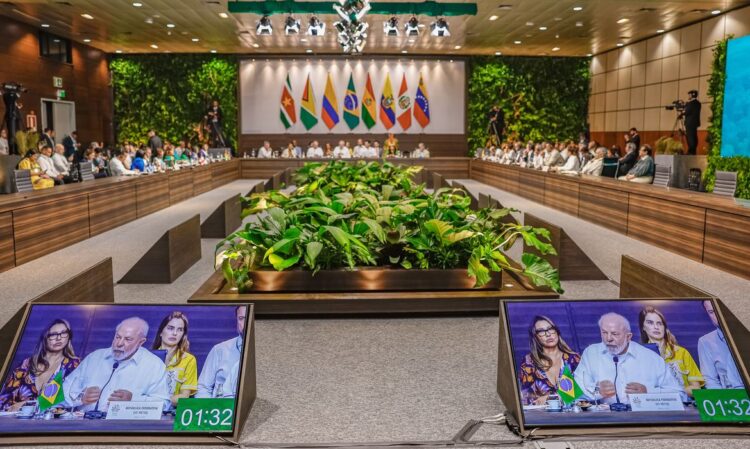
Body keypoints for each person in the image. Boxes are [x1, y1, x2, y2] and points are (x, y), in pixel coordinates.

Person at [63, 317, 170, 412]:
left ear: (141, 342)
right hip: (84, 427)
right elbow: (60, 394)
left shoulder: (154, 365)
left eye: (128, 339)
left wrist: (133, 400)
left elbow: (164, 404)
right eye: (118, 337)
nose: (119, 344)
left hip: (127, 429)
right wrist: (80, 398)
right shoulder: (94, 358)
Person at [574, 313, 684, 405]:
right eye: (604, 333)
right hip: (604, 420)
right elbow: (571, 393)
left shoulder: (651, 358)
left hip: (643, 419)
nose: (608, 339)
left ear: (628, 336)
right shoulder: (591, 353)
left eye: (614, 334)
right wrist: (597, 391)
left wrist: (648, 392)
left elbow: (681, 395)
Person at [0, 319, 81, 411]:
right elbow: (4, 400)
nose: (59, 338)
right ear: (44, 337)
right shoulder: (26, 364)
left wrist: (26, 404)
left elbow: (71, 399)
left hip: (53, 423)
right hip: (18, 422)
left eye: (63, 333)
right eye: (53, 334)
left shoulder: (73, 365)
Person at [638, 306, 704, 398]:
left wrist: (672, 392)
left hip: (683, 406)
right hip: (651, 405)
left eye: (660, 323)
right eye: (650, 323)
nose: (656, 327)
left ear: (664, 327)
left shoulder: (682, 353)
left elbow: (696, 389)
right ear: (643, 327)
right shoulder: (638, 355)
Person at [518, 316, 581, 406]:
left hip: (571, 414)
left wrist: (549, 398)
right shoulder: (528, 362)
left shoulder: (574, 359)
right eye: (541, 331)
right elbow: (523, 397)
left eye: (550, 329)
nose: (548, 334)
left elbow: (583, 391)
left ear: (557, 331)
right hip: (542, 416)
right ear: (535, 337)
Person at [196, 306, 246, 398]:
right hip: (220, 408)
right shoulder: (220, 349)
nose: (245, 323)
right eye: (241, 318)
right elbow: (203, 387)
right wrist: (209, 409)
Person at [151, 312, 198, 408]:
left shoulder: (189, 360)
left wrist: (157, 401)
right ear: (161, 332)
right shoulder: (147, 357)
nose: (175, 333)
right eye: (170, 328)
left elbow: (184, 397)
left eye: (180, 330)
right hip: (145, 412)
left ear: (183, 334)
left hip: (172, 414)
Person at [698, 300, 744, 389]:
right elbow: (710, 380)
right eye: (712, 312)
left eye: (720, 309)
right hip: (730, 398)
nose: (718, 316)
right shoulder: (705, 341)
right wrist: (723, 400)